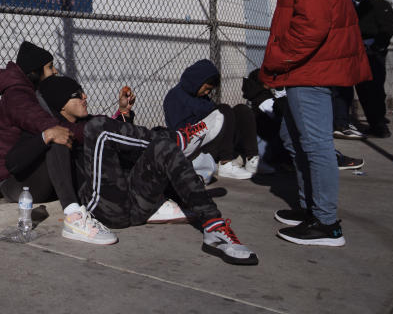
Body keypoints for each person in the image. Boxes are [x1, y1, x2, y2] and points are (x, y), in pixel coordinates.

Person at [37, 74, 258, 265]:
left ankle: (215, 228)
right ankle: (179, 138)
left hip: (137, 204)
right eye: (77, 94)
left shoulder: (93, 122)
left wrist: (123, 113)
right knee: (102, 129)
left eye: (83, 92)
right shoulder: (61, 132)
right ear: (61, 104)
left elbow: (117, 143)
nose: (84, 96)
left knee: (161, 146)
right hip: (105, 209)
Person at [260, 0, 370, 246]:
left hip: (309, 70)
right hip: (304, 69)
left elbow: (313, 26)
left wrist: (278, 59)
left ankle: (326, 223)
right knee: (297, 141)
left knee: (315, 145)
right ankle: (311, 209)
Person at [163, 59, 259, 179]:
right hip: (195, 145)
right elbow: (179, 130)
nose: (207, 92)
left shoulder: (201, 97)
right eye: (206, 88)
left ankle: (252, 159)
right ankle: (225, 163)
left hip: (213, 139)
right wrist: (208, 117)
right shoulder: (175, 97)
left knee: (241, 110)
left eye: (210, 90)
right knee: (223, 110)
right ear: (197, 82)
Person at [350, 0, 393, 138]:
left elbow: (387, 27)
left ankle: (379, 124)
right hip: (358, 52)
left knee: (375, 88)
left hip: (373, 53)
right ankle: (375, 122)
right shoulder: (352, 7)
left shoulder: (378, 5)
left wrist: (377, 47)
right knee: (363, 88)